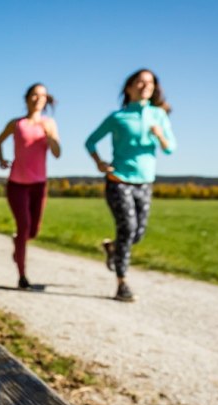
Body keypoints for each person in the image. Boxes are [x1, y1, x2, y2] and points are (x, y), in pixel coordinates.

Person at [84, 68, 176, 302]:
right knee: (127, 228)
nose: (145, 86)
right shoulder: (118, 117)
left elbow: (170, 148)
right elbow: (91, 141)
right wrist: (100, 163)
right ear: (129, 87)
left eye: (150, 83)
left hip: (145, 182)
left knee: (137, 233)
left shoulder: (159, 115)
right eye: (140, 82)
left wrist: (160, 135)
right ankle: (122, 283)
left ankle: (113, 248)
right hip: (119, 180)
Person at [0, 83, 61, 290]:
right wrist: (2, 159)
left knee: (32, 232)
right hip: (16, 184)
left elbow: (57, 153)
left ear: (45, 99)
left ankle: (18, 246)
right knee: (23, 227)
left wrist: (50, 137)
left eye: (42, 95)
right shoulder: (17, 124)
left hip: (39, 184)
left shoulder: (49, 124)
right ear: (27, 98)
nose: (38, 98)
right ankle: (22, 276)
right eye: (34, 94)